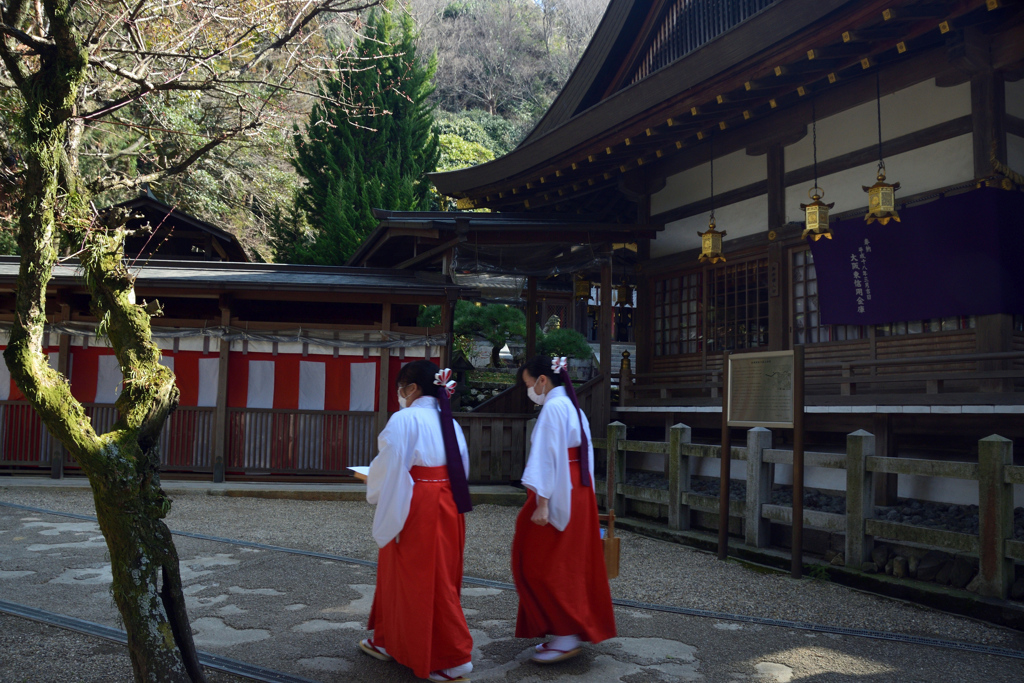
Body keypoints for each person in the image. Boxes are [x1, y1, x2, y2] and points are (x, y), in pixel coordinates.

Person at [359, 360, 474, 682]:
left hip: (416, 504)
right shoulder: (448, 420)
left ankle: (450, 657)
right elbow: (461, 467)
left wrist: (373, 482)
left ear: (412, 389)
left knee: (423, 579)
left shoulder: (405, 418)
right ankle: (389, 640)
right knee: (436, 576)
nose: (399, 395)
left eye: (400, 389)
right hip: (447, 500)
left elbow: (391, 464)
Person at [511, 355, 616, 663]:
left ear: (543, 380)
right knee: (569, 560)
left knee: (541, 561)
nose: (529, 389)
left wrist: (542, 503)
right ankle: (565, 630)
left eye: (529, 384)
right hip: (576, 488)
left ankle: (566, 632)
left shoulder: (554, 408)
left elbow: (546, 455)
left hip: (558, 489)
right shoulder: (572, 407)